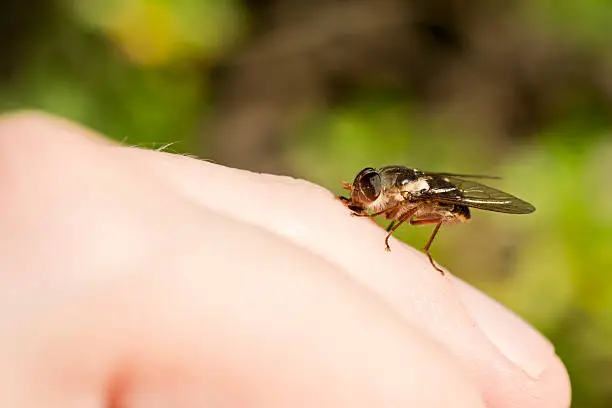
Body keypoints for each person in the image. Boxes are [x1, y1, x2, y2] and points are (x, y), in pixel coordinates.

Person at [0, 112, 570, 407]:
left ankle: (422, 248)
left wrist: (394, 228)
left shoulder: (409, 197)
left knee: (440, 213)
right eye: (362, 189)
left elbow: (425, 201)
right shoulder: (382, 188)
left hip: (438, 199)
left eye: (368, 190)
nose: (362, 194)